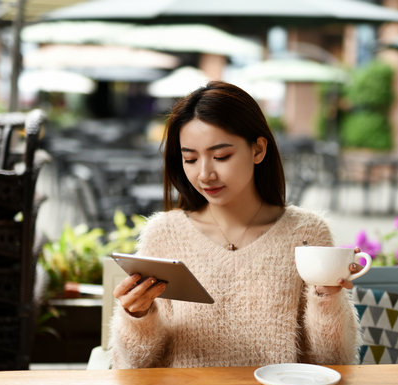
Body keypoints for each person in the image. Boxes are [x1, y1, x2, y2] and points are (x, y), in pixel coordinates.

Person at [110, 81, 362, 369]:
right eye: (190, 159)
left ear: (258, 149)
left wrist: (327, 297)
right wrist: (138, 316)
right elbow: (132, 367)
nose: (205, 174)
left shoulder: (306, 233)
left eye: (221, 156)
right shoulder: (164, 234)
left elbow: (333, 361)